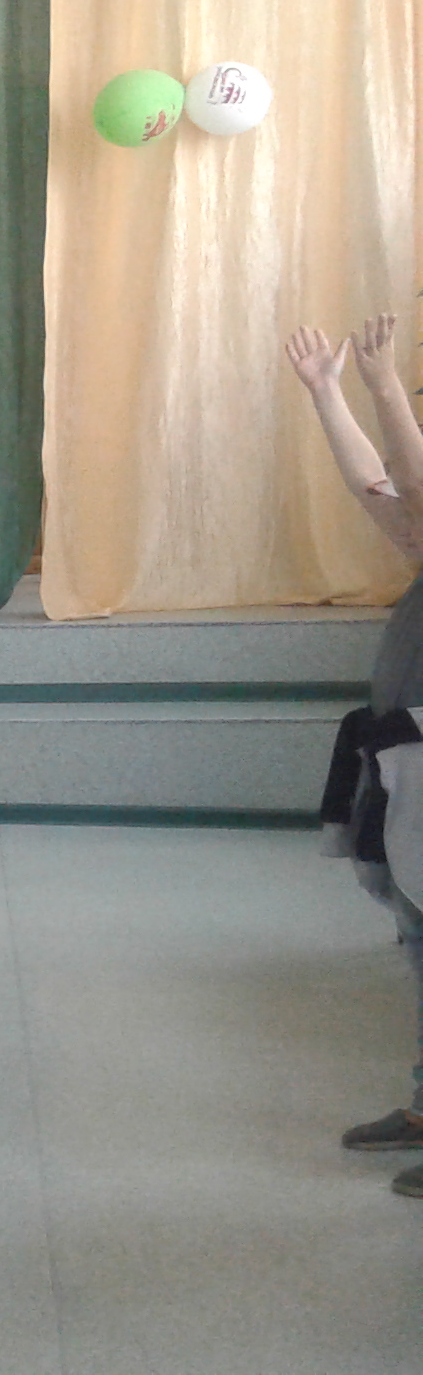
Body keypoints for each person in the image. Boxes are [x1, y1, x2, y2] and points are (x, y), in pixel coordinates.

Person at [288, 314, 423, 1198]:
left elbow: (412, 489)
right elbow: (376, 487)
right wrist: (330, 393)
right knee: (418, 937)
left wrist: (381, 388)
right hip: (408, 767)